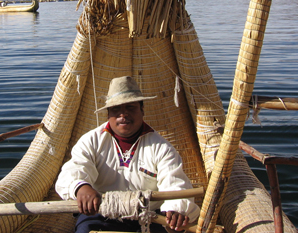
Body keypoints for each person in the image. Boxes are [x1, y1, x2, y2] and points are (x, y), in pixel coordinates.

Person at [55, 76, 200, 232]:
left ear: (142, 110)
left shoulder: (161, 148)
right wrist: (81, 187)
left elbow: (175, 183)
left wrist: (176, 208)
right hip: (101, 213)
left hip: (149, 216)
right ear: (108, 114)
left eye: (130, 108)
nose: (123, 115)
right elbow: (74, 169)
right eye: (116, 109)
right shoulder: (91, 141)